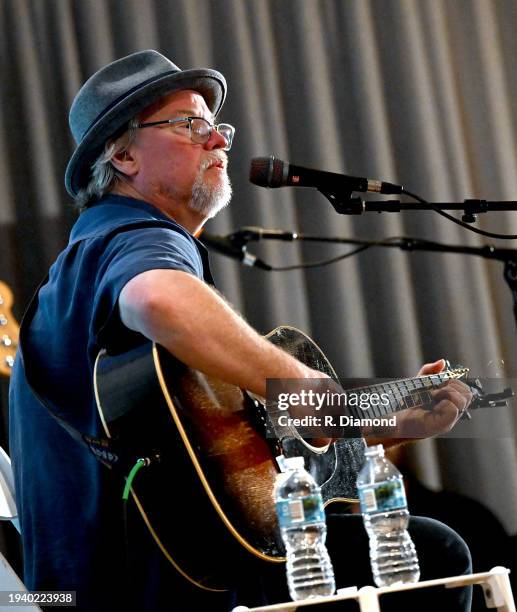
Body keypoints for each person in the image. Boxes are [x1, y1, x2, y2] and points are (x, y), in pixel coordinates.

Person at [9, 50, 474, 611]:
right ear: (125, 155)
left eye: (217, 126)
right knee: (433, 551)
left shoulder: (94, 259)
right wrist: (306, 386)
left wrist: (381, 421)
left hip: (111, 587)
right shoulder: (132, 235)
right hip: (165, 589)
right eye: (191, 125)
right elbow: (156, 298)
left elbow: (224, 454)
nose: (219, 141)